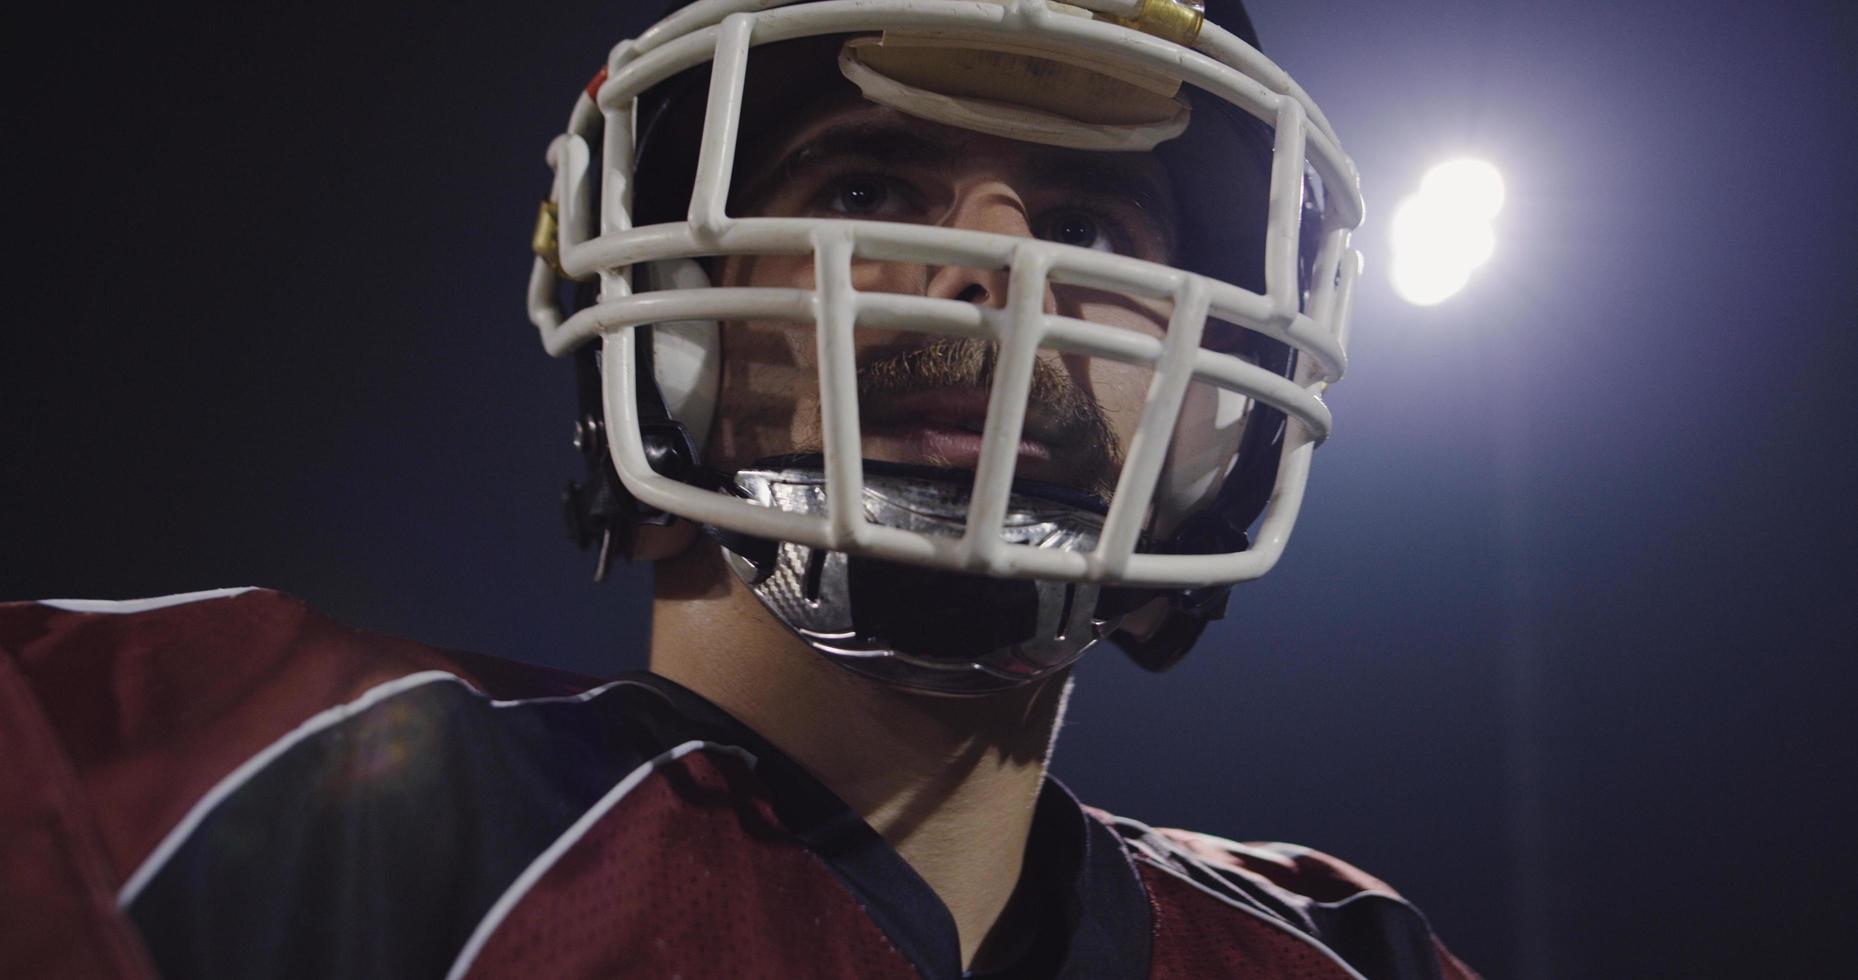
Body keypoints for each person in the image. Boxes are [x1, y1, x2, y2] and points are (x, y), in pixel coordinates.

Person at [0, 1, 1477, 977]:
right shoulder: (219, 781)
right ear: (669, 324)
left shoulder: (1343, 955)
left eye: (1090, 216)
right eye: (860, 193)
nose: (990, 272)